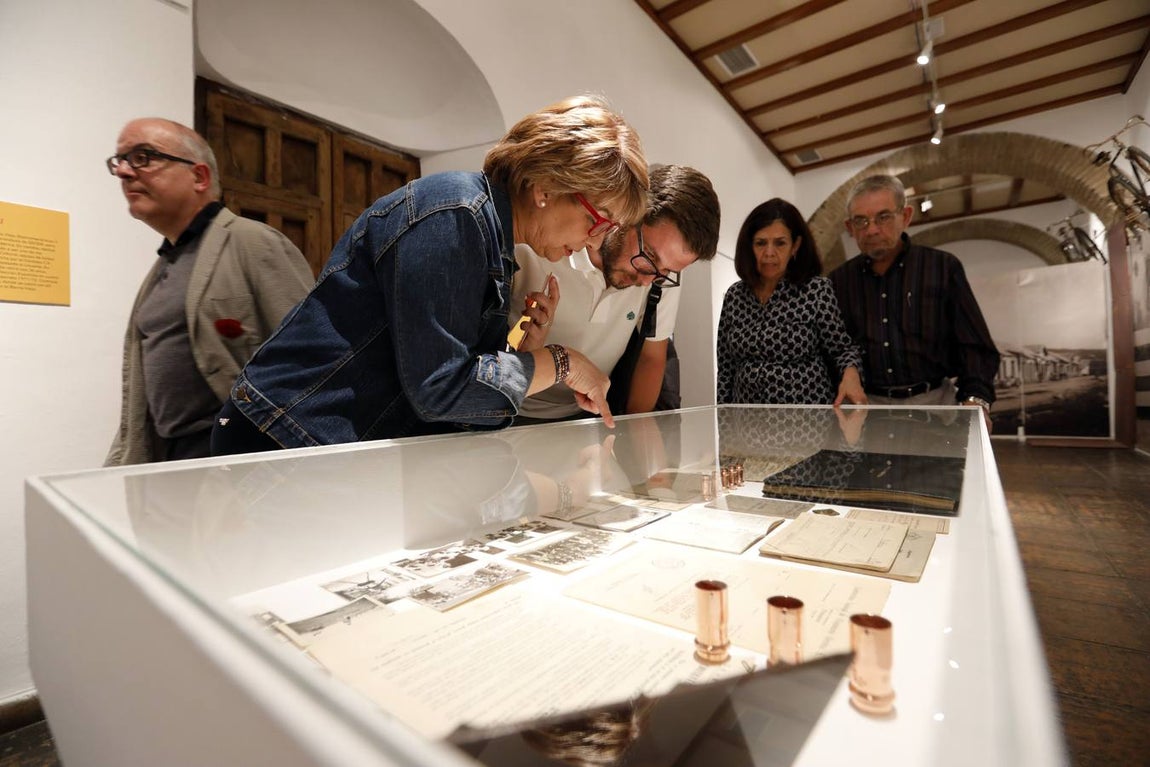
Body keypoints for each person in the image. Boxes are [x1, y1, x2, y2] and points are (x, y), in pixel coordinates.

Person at [210, 95, 649, 454]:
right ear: (547, 187)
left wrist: (524, 353)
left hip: (323, 447)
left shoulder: (489, 235)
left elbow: (453, 392)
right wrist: (561, 362)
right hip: (282, 439)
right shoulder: (456, 214)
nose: (595, 241)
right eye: (598, 219)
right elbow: (442, 390)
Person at [105, 118, 314, 465]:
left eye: (143, 157)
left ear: (199, 176)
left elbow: (313, 363)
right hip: (169, 460)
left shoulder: (254, 242)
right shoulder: (164, 265)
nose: (125, 172)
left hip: (238, 462)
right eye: (121, 161)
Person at [509, 164, 720, 422]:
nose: (648, 281)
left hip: (586, 415)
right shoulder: (548, 240)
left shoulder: (658, 277)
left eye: (667, 271)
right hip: (509, 408)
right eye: (649, 255)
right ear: (628, 213)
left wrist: (637, 434)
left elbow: (652, 359)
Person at [827, 175, 999, 424]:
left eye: (883, 217)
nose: (872, 229)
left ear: (906, 216)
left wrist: (976, 400)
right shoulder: (837, 282)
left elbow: (974, 346)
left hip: (936, 405)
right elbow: (833, 349)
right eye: (861, 221)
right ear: (850, 228)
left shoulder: (942, 267)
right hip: (867, 409)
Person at [716, 198, 866, 406]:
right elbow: (726, 368)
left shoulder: (815, 290)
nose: (769, 253)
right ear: (749, 246)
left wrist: (851, 375)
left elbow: (842, 350)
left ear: (795, 246)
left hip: (806, 418)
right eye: (761, 243)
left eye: (780, 243)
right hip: (746, 419)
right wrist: (723, 417)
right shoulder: (735, 296)